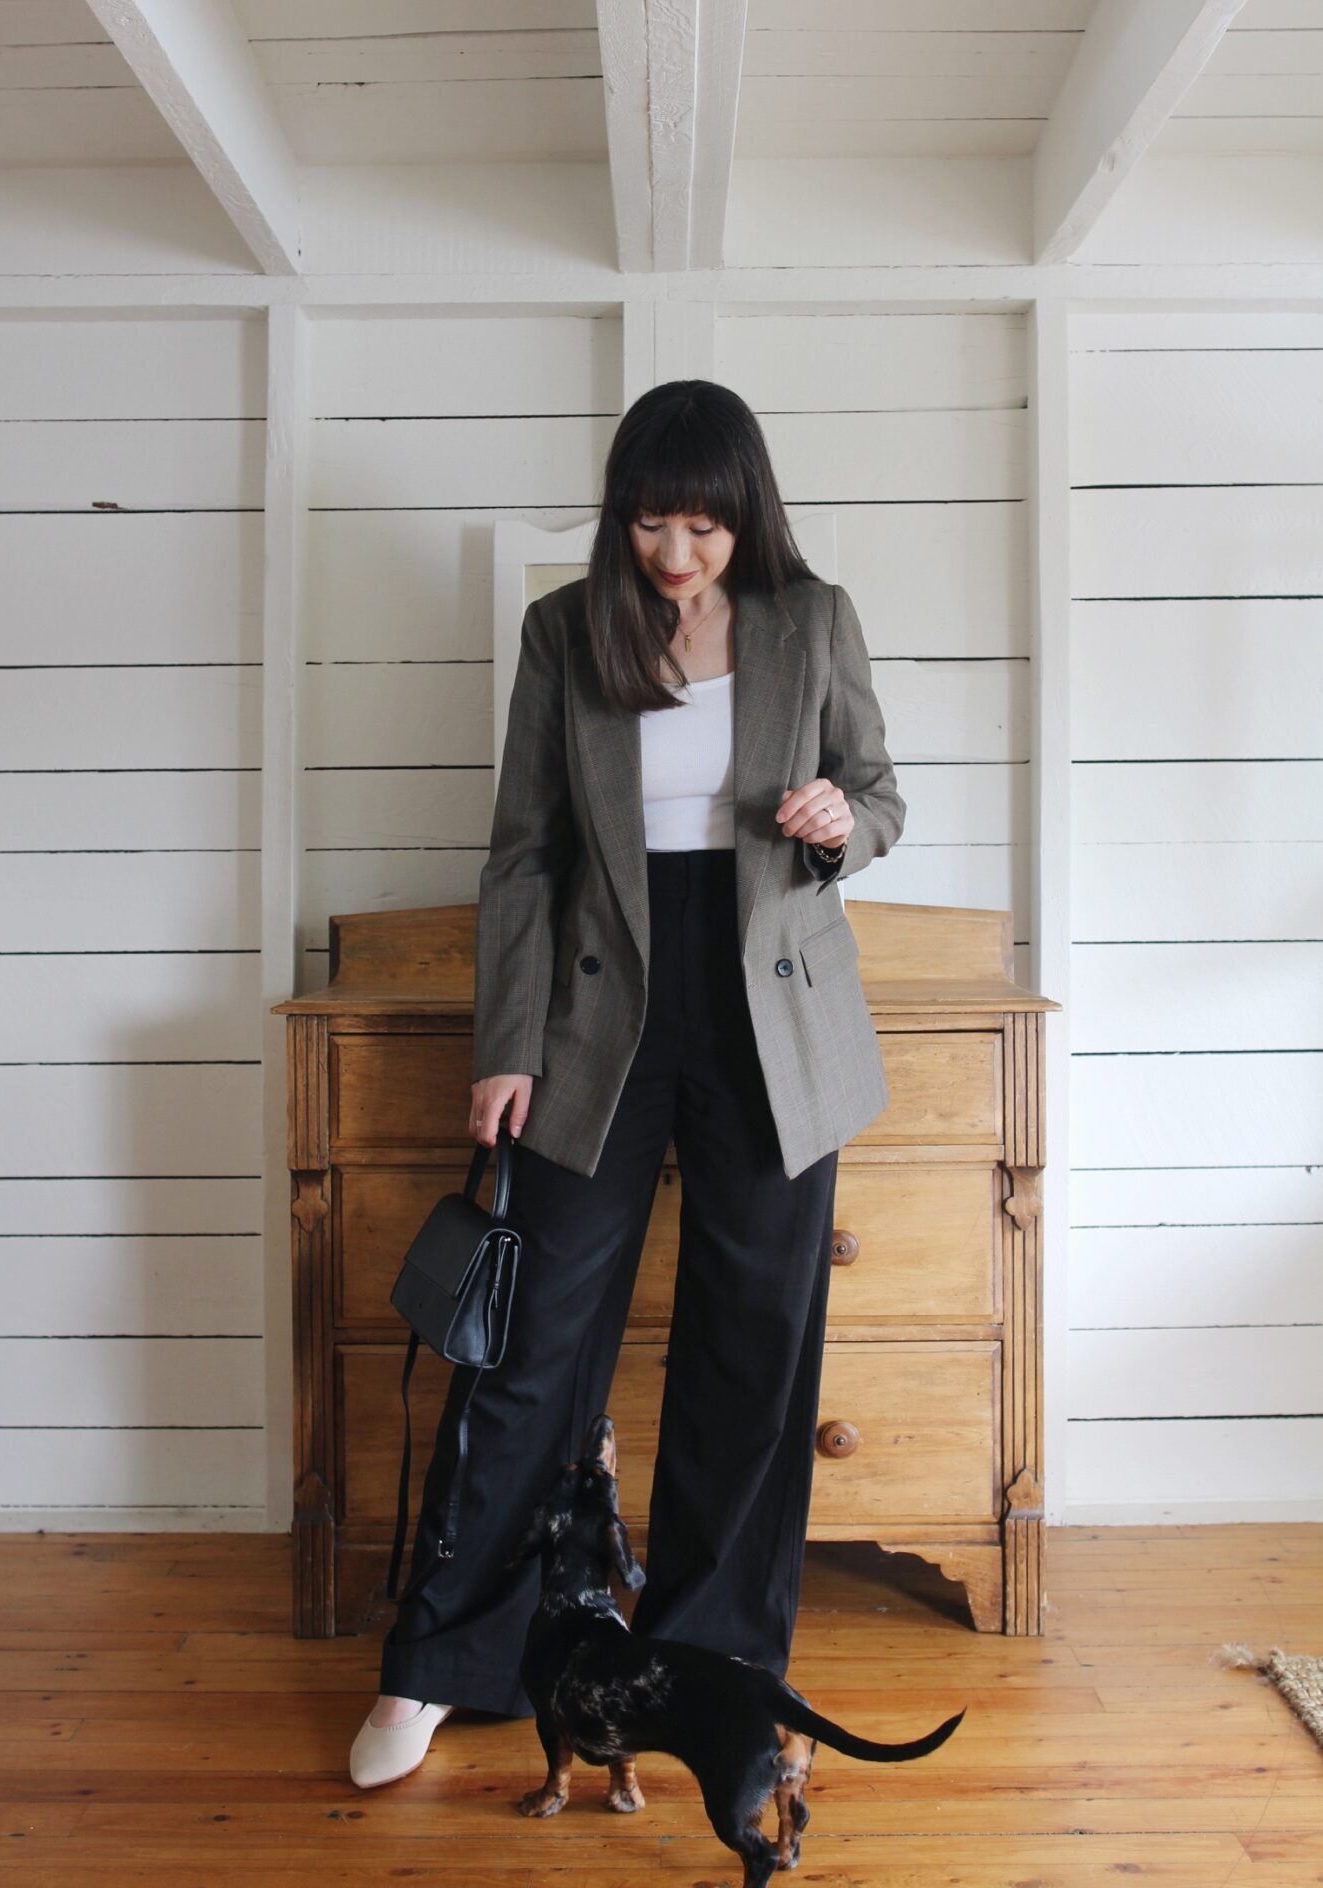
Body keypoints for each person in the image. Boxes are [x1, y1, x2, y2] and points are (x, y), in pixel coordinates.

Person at [349, 378, 906, 1788]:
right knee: (529, 1349)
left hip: (770, 1021)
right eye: (652, 523)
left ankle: (715, 1662)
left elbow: (879, 794)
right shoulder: (565, 629)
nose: (674, 555)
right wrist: (505, 1047)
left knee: (750, 1350)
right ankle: (440, 1663)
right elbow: (523, 856)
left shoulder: (812, 619)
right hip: (602, 1016)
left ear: (744, 516)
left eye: (702, 527)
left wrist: (840, 822)